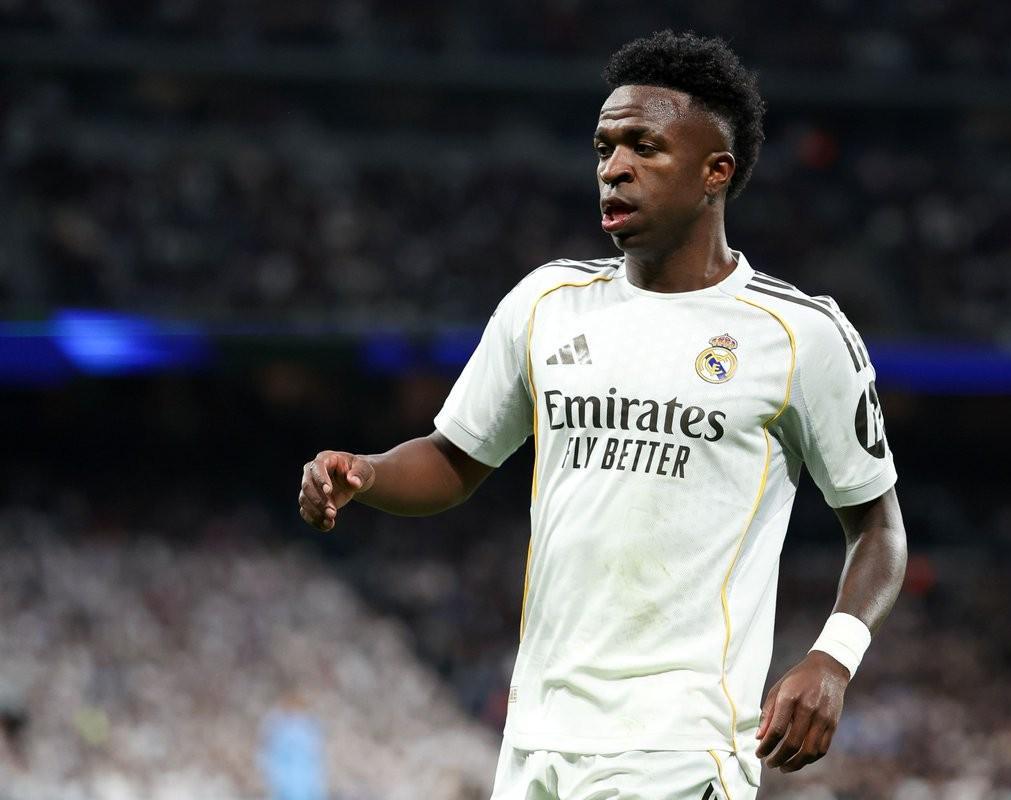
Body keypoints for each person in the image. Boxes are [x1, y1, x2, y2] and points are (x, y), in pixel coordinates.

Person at [298, 30, 907, 800]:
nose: (613, 168)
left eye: (644, 147)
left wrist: (833, 659)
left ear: (715, 171)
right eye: (604, 147)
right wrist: (367, 473)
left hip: (682, 747)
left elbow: (878, 526)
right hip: (537, 739)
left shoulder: (799, 335)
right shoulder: (546, 302)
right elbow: (454, 459)